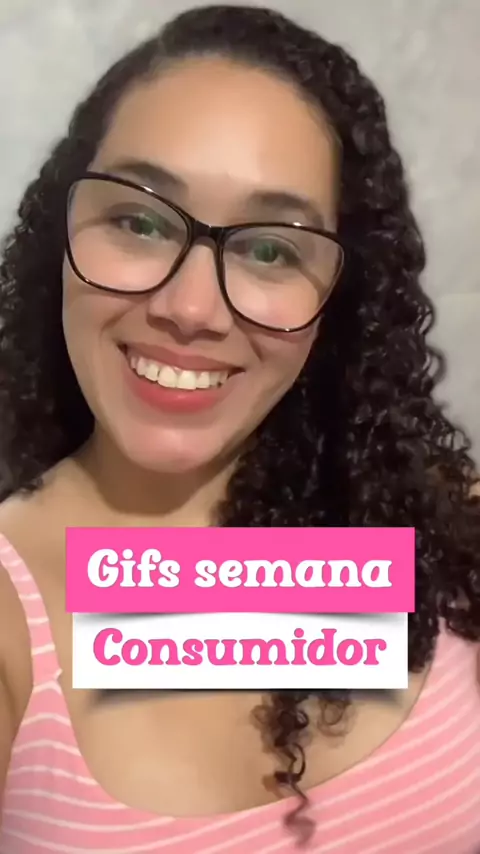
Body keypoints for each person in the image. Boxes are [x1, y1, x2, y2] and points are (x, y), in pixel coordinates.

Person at [0, 3, 479, 852]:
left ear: (338, 302)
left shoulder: (438, 524)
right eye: (140, 221)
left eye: (269, 249)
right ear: (61, 235)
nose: (190, 309)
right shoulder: (13, 614)